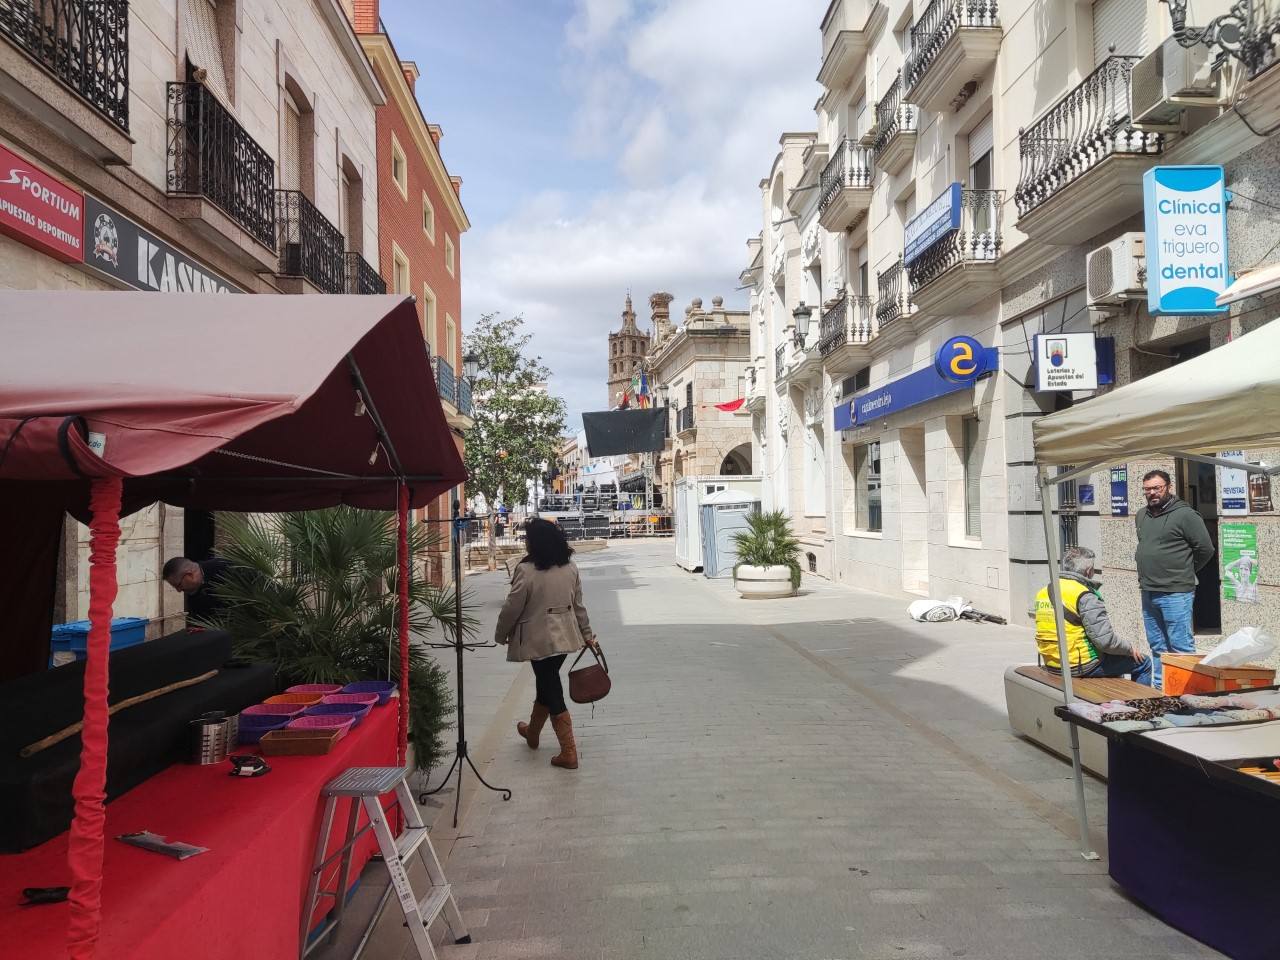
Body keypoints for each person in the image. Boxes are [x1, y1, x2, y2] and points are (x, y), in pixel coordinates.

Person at [494, 518, 599, 770]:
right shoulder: (570, 567)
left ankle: (569, 751)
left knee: (551, 688)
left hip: (538, 639)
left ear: (536, 542)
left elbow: (512, 607)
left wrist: (501, 634)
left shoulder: (526, 571)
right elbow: (579, 606)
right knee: (546, 682)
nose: (525, 542)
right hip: (566, 637)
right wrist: (587, 634)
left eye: (528, 538)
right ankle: (532, 733)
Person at [1135, 470, 1215, 687]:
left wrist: (1185, 570)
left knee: (1180, 647)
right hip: (1149, 590)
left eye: (1156, 488)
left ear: (1168, 487)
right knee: (1157, 646)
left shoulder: (1186, 515)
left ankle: (1187, 693)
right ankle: (1162, 690)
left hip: (1176, 592)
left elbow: (1205, 549)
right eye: (1147, 489)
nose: (1152, 493)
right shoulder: (1142, 515)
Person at [1035, 547, 1152, 686]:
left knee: (1115, 660)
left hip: (1052, 663)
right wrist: (1129, 648)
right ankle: (1140, 705)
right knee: (1143, 663)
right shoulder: (1084, 595)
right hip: (1080, 665)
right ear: (1089, 571)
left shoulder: (1044, 591)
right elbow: (1105, 641)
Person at [162, 555, 232, 622]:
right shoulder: (193, 597)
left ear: (190, 575)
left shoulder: (224, 567)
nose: (179, 590)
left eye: (178, 585)